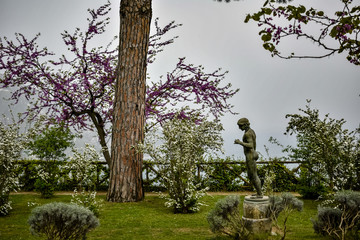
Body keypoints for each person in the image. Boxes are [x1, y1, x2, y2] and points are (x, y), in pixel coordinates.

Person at [234, 118, 262, 197]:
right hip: (252, 153)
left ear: (246, 125)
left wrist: (240, 142)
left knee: (253, 175)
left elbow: (251, 145)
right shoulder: (251, 131)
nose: (239, 128)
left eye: (240, 126)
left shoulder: (247, 134)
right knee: (251, 175)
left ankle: (260, 194)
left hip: (250, 155)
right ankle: (258, 192)